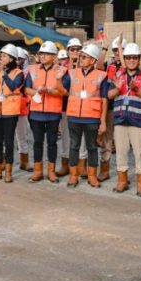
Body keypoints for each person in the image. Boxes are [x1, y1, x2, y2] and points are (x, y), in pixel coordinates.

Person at [107, 42, 141, 197]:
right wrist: (117, 88)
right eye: (128, 57)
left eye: (134, 57)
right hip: (120, 119)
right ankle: (122, 181)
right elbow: (109, 95)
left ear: (139, 59)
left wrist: (136, 89)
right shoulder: (118, 75)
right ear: (125, 59)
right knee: (120, 152)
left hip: (138, 121)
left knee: (139, 153)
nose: (131, 60)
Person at [24, 41, 70, 183]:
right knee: (37, 142)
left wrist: (49, 91)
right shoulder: (32, 69)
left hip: (53, 113)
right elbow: (26, 89)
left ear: (54, 56)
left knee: (52, 143)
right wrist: (38, 91)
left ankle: (51, 172)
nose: (43, 56)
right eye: (41, 53)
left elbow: (64, 92)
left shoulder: (62, 71)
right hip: (36, 112)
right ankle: (38, 171)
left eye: (46, 54)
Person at [65, 44, 107, 188]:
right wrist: (58, 80)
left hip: (92, 117)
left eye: (84, 57)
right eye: (80, 56)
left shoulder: (101, 76)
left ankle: (92, 176)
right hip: (73, 116)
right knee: (74, 146)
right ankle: (73, 176)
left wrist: (103, 121)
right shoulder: (72, 73)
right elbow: (63, 90)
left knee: (92, 147)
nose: (81, 59)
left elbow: (104, 99)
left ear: (93, 60)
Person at [0, 44, 24, 183]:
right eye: (1, 56)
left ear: (12, 58)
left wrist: (3, 74)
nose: (1, 58)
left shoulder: (18, 73)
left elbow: (13, 86)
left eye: (4, 56)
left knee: (9, 142)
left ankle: (8, 172)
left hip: (10, 112)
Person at [97, 35, 125, 182]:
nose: (117, 52)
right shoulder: (109, 64)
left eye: (119, 49)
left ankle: (123, 173)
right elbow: (98, 67)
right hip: (109, 106)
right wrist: (104, 48)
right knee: (107, 140)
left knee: (122, 142)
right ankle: (105, 169)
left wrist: (120, 48)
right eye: (115, 50)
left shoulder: (129, 66)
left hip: (123, 107)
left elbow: (126, 68)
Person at [57, 37, 84, 178]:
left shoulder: (86, 66)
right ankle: (65, 164)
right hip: (66, 107)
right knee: (66, 137)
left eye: (78, 49)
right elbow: (62, 86)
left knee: (82, 138)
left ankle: (81, 165)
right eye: (72, 49)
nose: (75, 52)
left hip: (83, 108)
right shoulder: (62, 68)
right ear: (68, 51)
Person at [15, 47, 33, 172]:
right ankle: (4, 162)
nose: (18, 61)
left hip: (21, 108)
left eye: (20, 59)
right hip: (6, 108)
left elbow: (28, 90)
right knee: (6, 137)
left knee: (22, 136)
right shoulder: (4, 72)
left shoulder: (26, 74)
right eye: (16, 59)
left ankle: (24, 161)